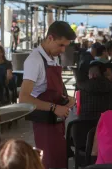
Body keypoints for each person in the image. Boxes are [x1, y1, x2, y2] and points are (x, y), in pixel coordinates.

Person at [19, 21, 76, 169]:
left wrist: (66, 98)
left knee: (59, 160)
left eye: (65, 46)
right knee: (48, 163)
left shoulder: (52, 57)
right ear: (50, 38)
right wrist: (53, 107)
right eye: (60, 45)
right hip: (44, 121)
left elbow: (54, 86)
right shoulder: (34, 60)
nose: (63, 50)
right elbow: (24, 98)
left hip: (56, 121)